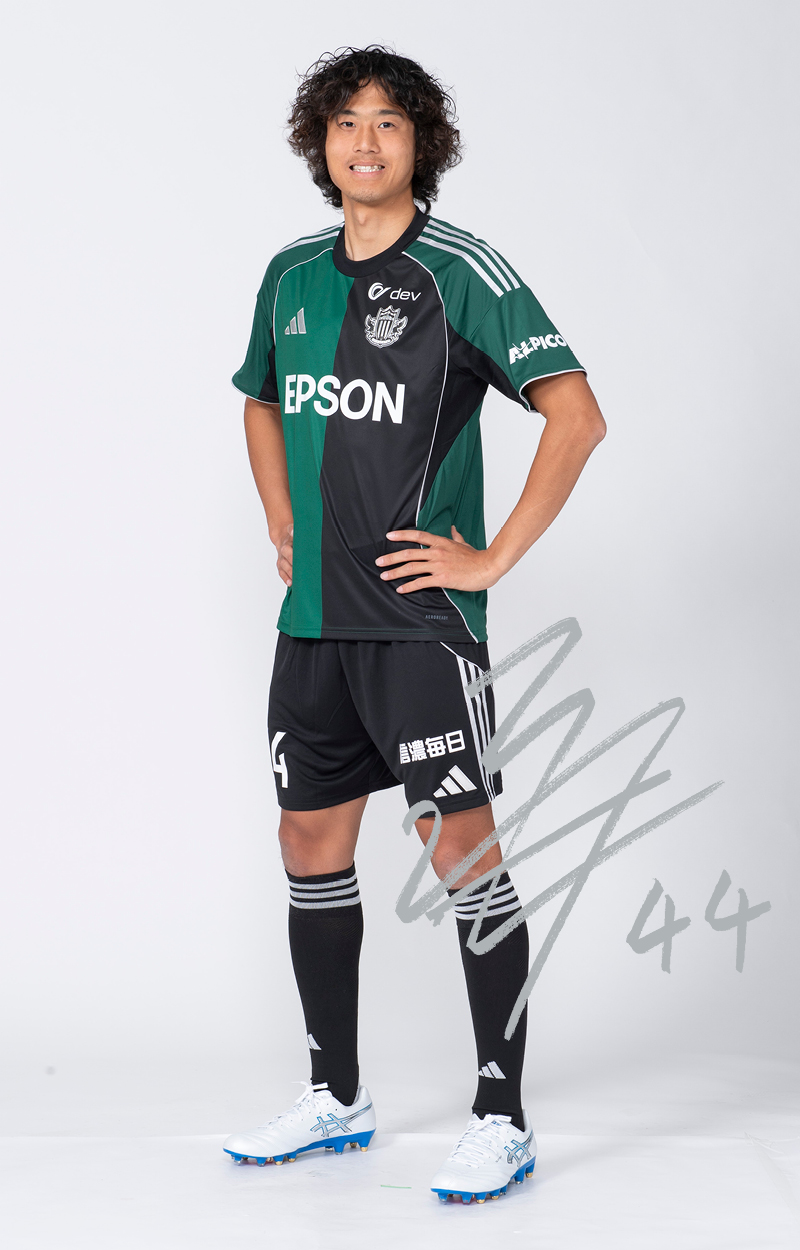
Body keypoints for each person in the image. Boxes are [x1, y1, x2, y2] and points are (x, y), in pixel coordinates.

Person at [222, 45, 605, 1204]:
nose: (364, 139)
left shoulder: (461, 272)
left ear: (419, 143)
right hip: (313, 625)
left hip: (417, 626)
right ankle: (335, 1094)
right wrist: (281, 514)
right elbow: (258, 399)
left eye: (387, 121)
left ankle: (501, 1114)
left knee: (462, 855)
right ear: (319, 140)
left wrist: (489, 557)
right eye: (344, 120)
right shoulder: (290, 275)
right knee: (307, 843)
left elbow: (575, 415)